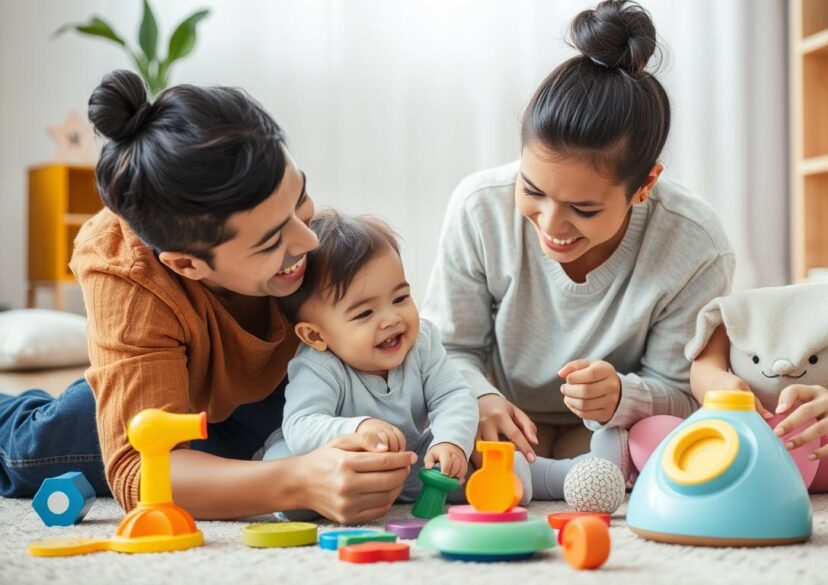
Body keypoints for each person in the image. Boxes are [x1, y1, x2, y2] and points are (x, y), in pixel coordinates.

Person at [0, 70, 414, 524]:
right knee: (27, 450)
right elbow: (140, 471)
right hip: (175, 400)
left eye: (300, 197)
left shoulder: (284, 222)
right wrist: (297, 480)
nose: (309, 240)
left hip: (273, 397)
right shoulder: (127, 272)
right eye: (270, 242)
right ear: (187, 265)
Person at [422, 0, 735, 499]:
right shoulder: (480, 207)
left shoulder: (694, 245)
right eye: (532, 190)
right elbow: (450, 348)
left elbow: (685, 392)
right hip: (500, 415)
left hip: (608, 429)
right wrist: (479, 397)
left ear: (645, 185)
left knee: (664, 450)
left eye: (583, 209)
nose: (551, 225)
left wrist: (622, 396)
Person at [261, 210, 482, 504]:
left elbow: (453, 395)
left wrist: (450, 442)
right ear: (315, 335)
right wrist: (358, 428)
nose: (392, 319)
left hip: (409, 459)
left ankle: (541, 475)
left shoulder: (422, 342)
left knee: (479, 459)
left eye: (400, 298)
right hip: (335, 468)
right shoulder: (318, 365)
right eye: (365, 313)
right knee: (283, 462)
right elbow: (301, 425)